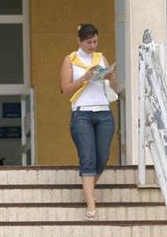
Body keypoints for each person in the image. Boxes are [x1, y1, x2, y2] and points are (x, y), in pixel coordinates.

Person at [60, 23, 118, 221]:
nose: (93, 45)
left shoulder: (100, 58)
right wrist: (85, 77)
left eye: (95, 41)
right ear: (79, 41)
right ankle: (91, 202)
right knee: (88, 158)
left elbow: (115, 87)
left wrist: (110, 76)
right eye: (88, 42)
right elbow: (65, 89)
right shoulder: (70, 60)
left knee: (102, 158)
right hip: (81, 113)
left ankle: (87, 191)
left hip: (103, 112)